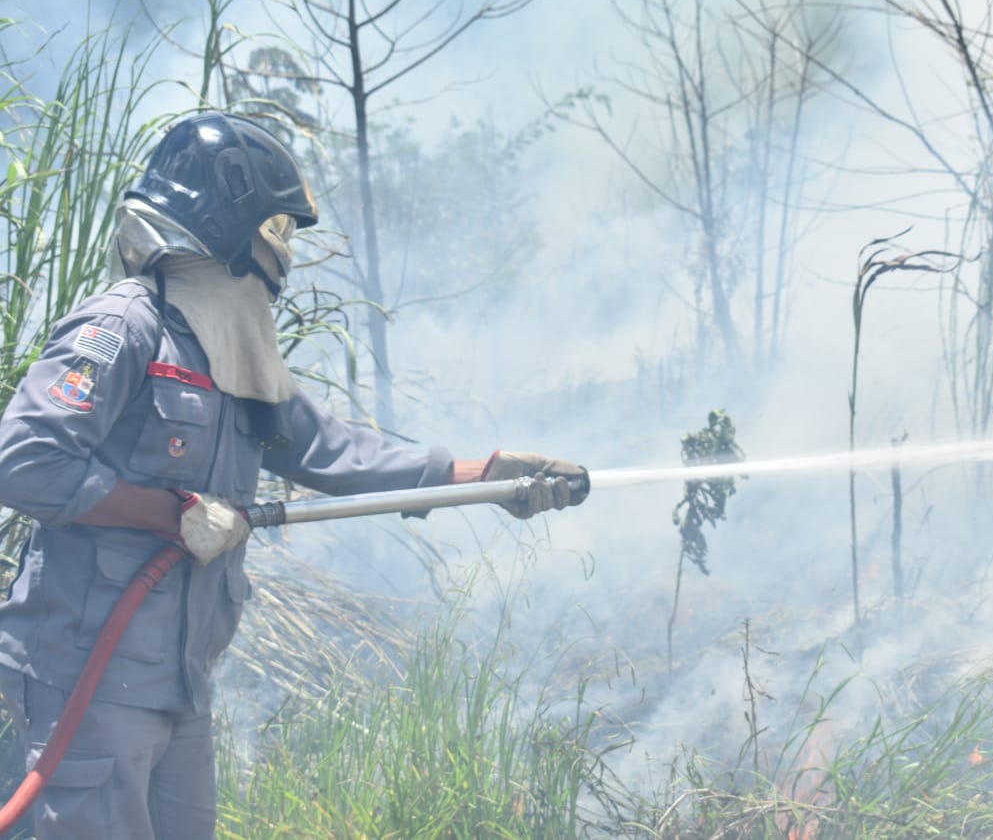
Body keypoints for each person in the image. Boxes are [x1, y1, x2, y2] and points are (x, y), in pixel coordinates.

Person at [0, 110, 587, 839]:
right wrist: (169, 511)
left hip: (177, 680)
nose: (281, 251)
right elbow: (23, 462)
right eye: (274, 228)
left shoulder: (231, 345)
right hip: (86, 675)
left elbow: (335, 453)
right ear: (224, 216)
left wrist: (490, 476)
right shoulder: (126, 325)